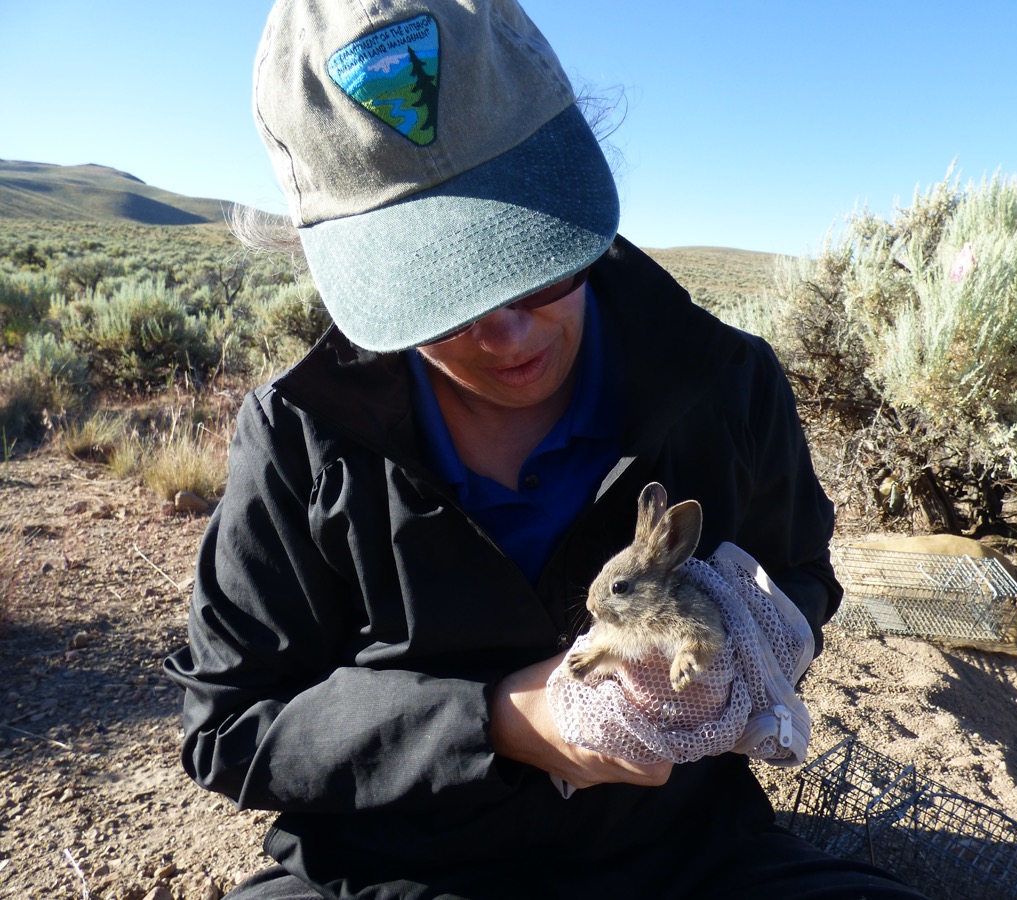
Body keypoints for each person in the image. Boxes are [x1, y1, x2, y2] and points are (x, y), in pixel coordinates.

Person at [164, 1, 930, 897]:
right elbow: (231, 727)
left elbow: (800, 569)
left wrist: (751, 643)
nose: (509, 330)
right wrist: (499, 718)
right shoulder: (301, 435)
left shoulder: (726, 382)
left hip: (684, 859)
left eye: (535, 258)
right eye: (438, 297)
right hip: (388, 872)